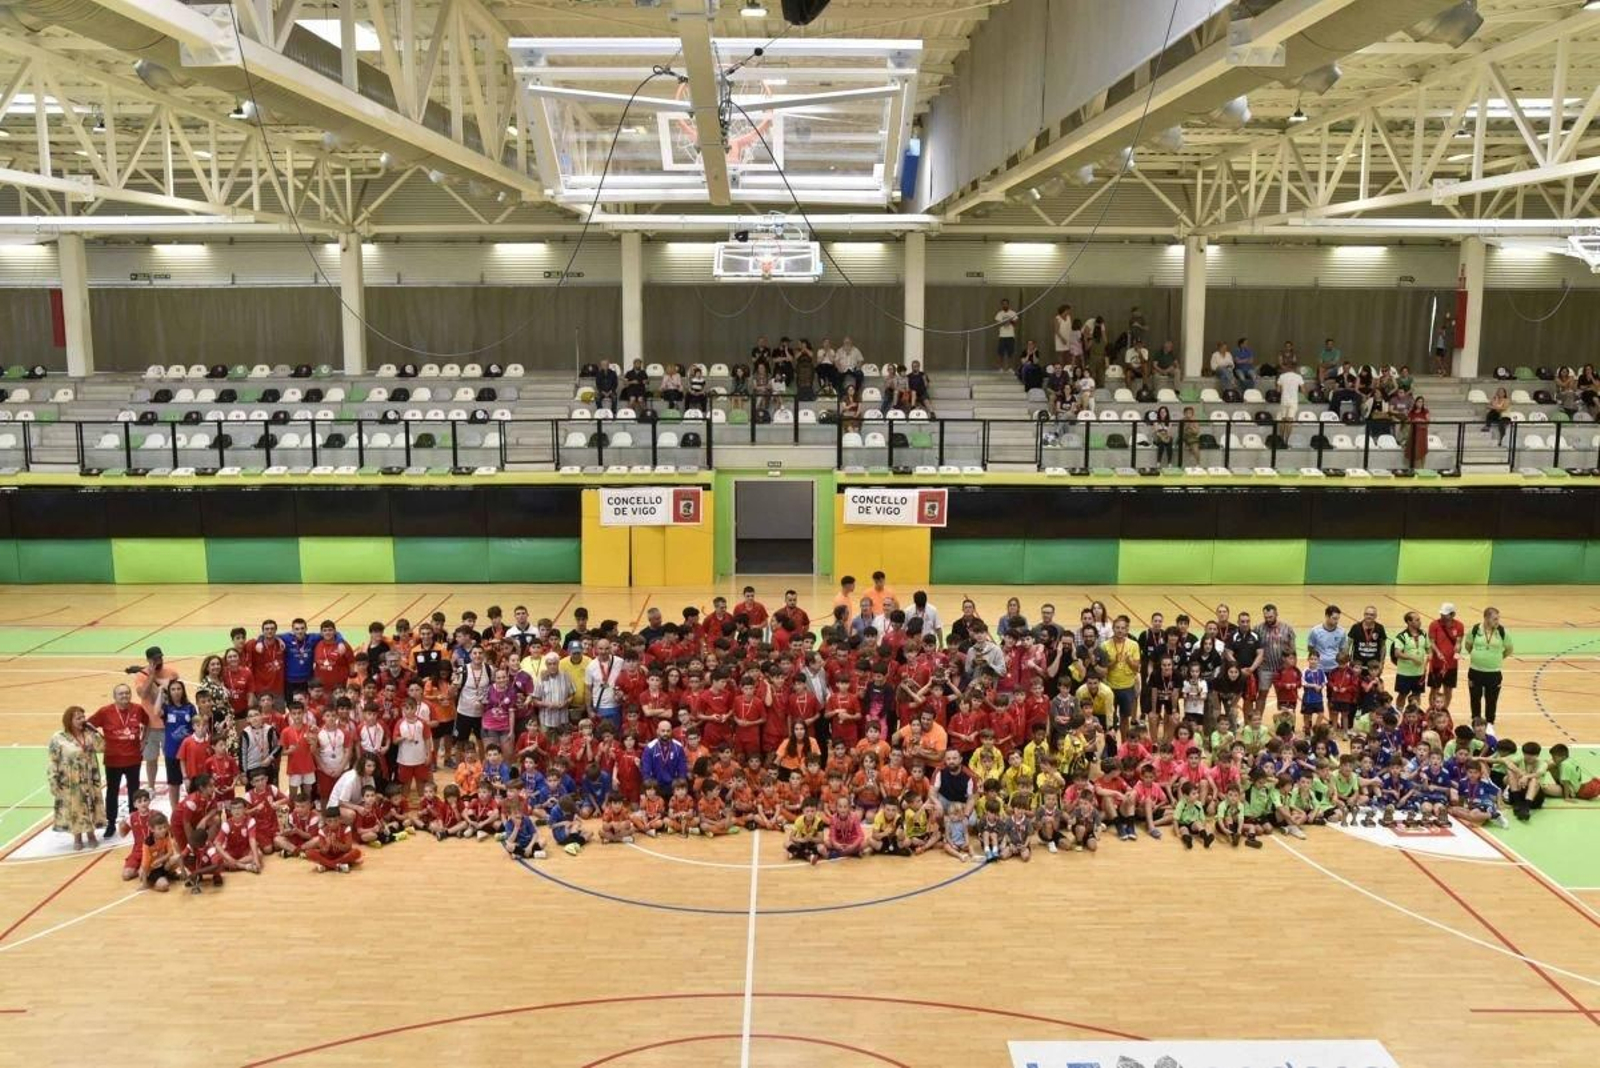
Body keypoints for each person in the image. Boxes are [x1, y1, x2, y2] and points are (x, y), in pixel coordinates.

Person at [89, 683, 150, 841]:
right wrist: (100, 740)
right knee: (112, 792)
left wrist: (144, 740)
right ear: (115, 697)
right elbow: (88, 725)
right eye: (121, 694)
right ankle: (110, 823)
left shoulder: (137, 709)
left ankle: (133, 820)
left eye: (127, 693)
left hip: (133, 758)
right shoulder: (105, 711)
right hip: (113, 760)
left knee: (133, 791)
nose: (124, 696)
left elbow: (148, 723)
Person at [48, 706, 104, 851]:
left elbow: (102, 747)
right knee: (75, 807)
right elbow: (53, 760)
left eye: (83, 717)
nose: (82, 720)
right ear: (69, 720)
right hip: (70, 780)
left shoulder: (89, 734)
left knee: (91, 804)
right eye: (78, 718)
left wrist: (95, 731)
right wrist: (53, 780)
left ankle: (91, 835)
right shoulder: (58, 738)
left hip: (89, 777)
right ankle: (77, 837)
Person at [1464, 606, 1512, 725]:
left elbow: (1509, 649)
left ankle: (1490, 723)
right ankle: (1476, 721)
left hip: (1494, 673)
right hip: (1475, 671)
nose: (1497, 622)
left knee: (1491, 700)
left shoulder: (1502, 631)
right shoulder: (1475, 630)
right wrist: (1478, 656)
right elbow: (1468, 645)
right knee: (1475, 698)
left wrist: (1497, 658)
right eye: (1495, 619)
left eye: (1498, 619)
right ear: (1486, 618)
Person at [994, 298, 1019, 370]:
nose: (1005, 305)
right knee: (1000, 353)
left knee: (1010, 353)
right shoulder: (999, 313)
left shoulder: (1013, 313)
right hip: (1002, 336)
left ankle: (1010, 367)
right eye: (1003, 304)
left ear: (1008, 304)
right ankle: (1000, 367)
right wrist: (1004, 321)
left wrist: (1010, 320)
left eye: (1006, 304)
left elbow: (1015, 323)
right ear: (1002, 305)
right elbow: (997, 323)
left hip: (1010, 335)